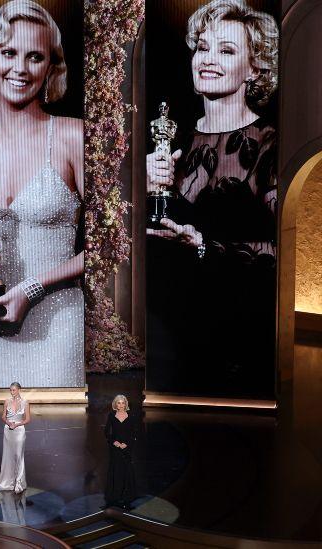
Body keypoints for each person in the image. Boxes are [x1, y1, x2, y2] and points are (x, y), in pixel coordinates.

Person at [145, 0, 278, 398]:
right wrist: (145, 187)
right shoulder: (172, 140)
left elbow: (284, 253)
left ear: (254, 69)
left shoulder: (268, 145)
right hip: (170, 340)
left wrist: (204, 245)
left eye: (227, 50)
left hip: (239, 341)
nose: (208, 59)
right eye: (203, 47)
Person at [0, 0, 84, 389]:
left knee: (59, 443)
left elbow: (111, 249)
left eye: (35, 57)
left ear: (50, 68)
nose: (20, 68)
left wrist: (33, 288)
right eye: (9, 52)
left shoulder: (72, 136)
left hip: (57, 325)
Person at [104, 395, 137, 510]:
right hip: (115, 448)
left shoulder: (131, 416)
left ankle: (126, 496)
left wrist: (127, 444)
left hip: (127, 448)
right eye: (119, 403)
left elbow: (133, 434)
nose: (121, 405)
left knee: (126, 470)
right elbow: (107, 432)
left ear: (126, 404)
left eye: (123, 403)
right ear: (115, 404)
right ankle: (115, 496)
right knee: (116, 470)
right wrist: (114, 442)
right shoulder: (112, 416)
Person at [0, 382, 29, 493]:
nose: (12, 392)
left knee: (19, 455)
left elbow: (27, 419)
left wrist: (17, 424)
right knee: (8, 456)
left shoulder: (25, 402)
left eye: (14, 390)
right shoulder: (7, 401)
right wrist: (8, 422)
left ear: (19, 390)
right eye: (10, 390)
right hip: (8, 431)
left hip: (19, 431)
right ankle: (8, 482)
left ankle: (19, 483)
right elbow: (3, 416)